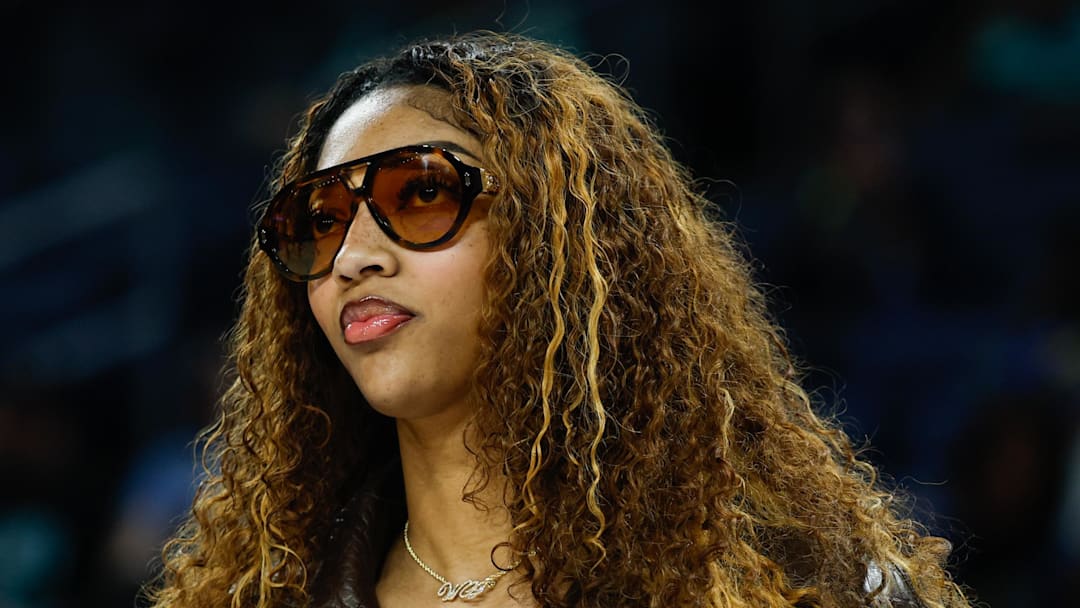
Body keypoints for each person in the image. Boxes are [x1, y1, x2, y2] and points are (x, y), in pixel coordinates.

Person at [146, 31, 971, 607]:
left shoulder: (809, 587)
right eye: (318, 221)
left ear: (556, 241)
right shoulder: (254, 596)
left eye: (422, 193)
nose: (355, 255)